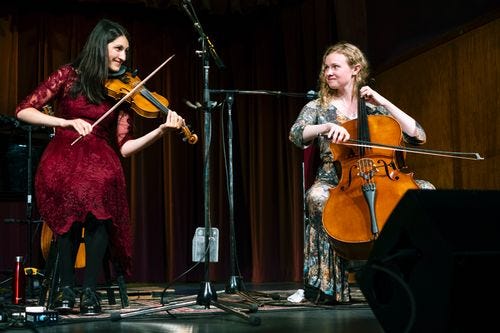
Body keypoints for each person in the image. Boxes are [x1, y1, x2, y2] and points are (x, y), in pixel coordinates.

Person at [15, 19, 186, 315]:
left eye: (126, 51)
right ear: (100, 46)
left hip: (101, 159)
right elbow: (24, 110)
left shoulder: (121, 94)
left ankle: (89, 291)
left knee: (99, 187)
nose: (123, 57)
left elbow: (125, 147)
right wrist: (65, 121)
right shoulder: (68, 75)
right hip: (63, 153)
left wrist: (161, 132)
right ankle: (68, 289)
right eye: (118, 48)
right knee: (75, 186)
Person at [289, 42, 435, 305]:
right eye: (326, 67)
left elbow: (418, 135)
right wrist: (325, 127)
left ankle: (415, 278)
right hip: (335, 180)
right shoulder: (318, 107)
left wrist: (382, 100)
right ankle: (329, 287)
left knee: (425, 191)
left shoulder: (373, 108)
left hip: (381, 178)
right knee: (317, 197)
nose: (328, 72)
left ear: (355, 69)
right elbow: (297, 134)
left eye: (335, 66)